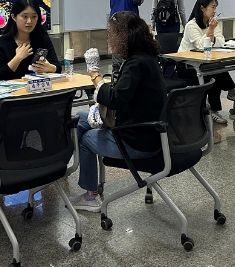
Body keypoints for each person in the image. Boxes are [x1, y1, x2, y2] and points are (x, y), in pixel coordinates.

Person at [71, 11, 166, 212]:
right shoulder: (147, 59)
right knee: (79, 119)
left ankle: (90, 195)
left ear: (124, 37)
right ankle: (68, 167)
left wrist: (96, 77)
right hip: (151, 132)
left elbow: (115, 100)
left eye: (111, 34)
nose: (109, 39)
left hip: (137, 140)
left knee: (85, 139)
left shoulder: (135, 64)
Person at [178, 0, 235, 124]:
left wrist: (211, 36)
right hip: (187, 65)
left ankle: (215, 108)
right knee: (215, 71)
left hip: (205, 62)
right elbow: (201, 45)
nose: (215, 11)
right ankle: (228, 95)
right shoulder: (191, 25)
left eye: (216, 7)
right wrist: (210, 30)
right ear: (202, 8)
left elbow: (221, 41)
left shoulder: (213, 22)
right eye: (213, 7)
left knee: (215, 70)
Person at [0, 0, 61, 80]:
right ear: (14, 17)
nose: (29, 21)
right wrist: (17, 58)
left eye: (34, 17)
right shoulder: (0, 44)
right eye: (25, 16)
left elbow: (58, 67)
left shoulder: (42, 38)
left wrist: (51, 68)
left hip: (39, 87)